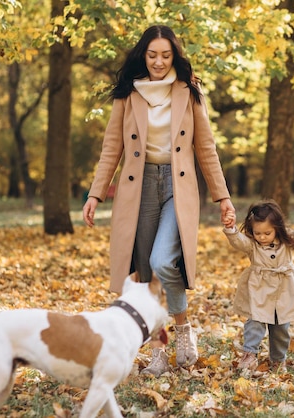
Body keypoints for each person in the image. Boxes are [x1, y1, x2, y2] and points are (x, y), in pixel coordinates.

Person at [83, 25, 235, 377]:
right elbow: (112, 148)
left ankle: (182, 329)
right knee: (146, 272)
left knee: (164, 260)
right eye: (152, 55)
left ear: (175, 56)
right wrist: (95, 193)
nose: (159, 62)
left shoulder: (189, 92)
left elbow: (206, 148)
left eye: (166, 55)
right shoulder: (127, 94)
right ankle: (159, 351)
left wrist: (222, 197)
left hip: (178, 186)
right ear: (143, 55)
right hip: (139, 187)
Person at [222, 200, 294, 372]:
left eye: (267, 233)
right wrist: (231, 229)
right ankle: (249, 354)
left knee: (280, 329)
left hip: (284, 292)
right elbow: (239, 241)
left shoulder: (288, 239)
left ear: (277, 228)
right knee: (254, 322)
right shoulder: (252, 244)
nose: (261, 237)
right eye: (257, 233)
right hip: (259, 291)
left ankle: (278, 360)